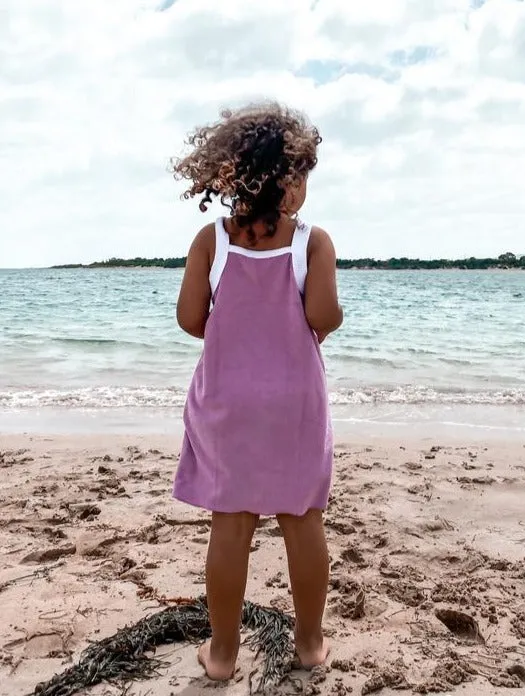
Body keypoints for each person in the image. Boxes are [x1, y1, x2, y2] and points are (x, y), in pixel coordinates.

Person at [170, 102, 343, 681]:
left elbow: (191, 319)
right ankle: (311, 643)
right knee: (303, 519)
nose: (304, 190)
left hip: (227, 402)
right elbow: (323, 315)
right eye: (302, 176)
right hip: (293, 404)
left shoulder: (210, 240)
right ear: (283, 179)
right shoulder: (311, 242)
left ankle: (221, 654)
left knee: (231, 524)